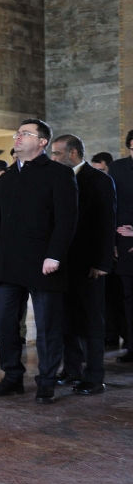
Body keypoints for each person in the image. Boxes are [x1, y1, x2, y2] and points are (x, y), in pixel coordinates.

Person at [0, 119, 77, 404]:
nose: (18, 138)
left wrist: (55, 255)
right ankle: (12, 377)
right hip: (8, 262)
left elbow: (66, 220)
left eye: (25, 134)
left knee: (47, 326)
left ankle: (46, 380)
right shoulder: (7, 177)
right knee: (6, 323)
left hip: (44, 263)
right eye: (17, 133)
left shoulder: (59, 174)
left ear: (43, 141)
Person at [50, 135, 115, 396]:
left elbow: (106, 222)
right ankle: (72, 369)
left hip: (89, 263)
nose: (52, 158)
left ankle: (95, 376)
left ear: (73, 153)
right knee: (65, 318)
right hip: (63, 262)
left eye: (56, 153)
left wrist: (102, 262)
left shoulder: (99, 179)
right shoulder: (56, 178)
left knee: (90, 321)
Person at [112, 129, 133, 362]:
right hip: (124, 243)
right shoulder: (117, 169)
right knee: (128, 297)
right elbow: (111, 206)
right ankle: (131, 346)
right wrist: (112, 242)